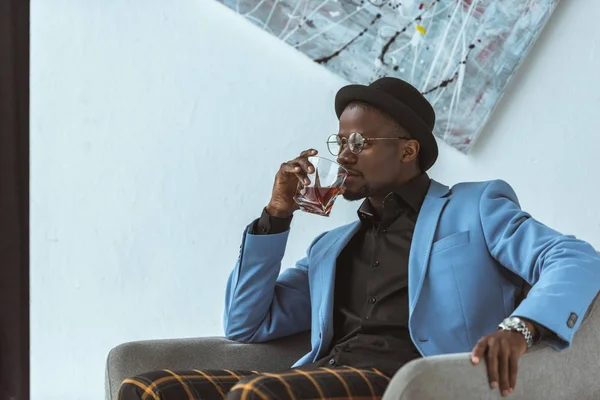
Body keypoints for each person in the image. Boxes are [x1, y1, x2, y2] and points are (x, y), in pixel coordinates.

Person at [119, 77, 600, 400]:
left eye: (360, 143)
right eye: (340, 142)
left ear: (408, 151)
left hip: (412, 378)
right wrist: (276, 216)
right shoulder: (331, 248)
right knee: (146, 389)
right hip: (323, 374)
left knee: (255, 396)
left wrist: (519, 329)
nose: (344, 156)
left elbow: (575, 258)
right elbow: (245, 323)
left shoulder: (475, 207)